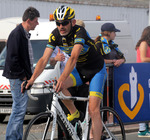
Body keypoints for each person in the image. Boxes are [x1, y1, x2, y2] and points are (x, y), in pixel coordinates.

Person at [23, 5, 107, 140]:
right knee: (58, 87)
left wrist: (62, 78)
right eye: (58, 23)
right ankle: (75, 114)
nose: (61, 26)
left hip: (96, 70)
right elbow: (44, 59)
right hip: (80, 70)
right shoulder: (55, 34)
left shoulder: (79, 32)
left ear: (72, 22)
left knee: (93, 109)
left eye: (64, 23)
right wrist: (32, 79)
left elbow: (73, 58)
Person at [3, 7, 40, 140]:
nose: (37, 23)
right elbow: (12, 58)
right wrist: (23, 75)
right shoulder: (17, 34)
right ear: (29, 20)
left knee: (19, 109)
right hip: (17, 78)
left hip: (18, 77)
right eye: (36, 20)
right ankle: (12, 138)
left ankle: (15, 137)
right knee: (18, 110)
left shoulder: (21, 33)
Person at [95, 23, 125, 108]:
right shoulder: (98, 44)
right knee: (103, 105)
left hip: (113, 79)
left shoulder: (113, 45)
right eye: (114, 32)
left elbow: (123, 57)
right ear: (109, 33)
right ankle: (102, 120)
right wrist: (112, 61)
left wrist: (121, 61)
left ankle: (111, 120)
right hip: (101, 79)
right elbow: (97, 60)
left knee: (112, 105)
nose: (115, 34)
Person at [135, 26, 150, 137]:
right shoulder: (144, 43)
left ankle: (145, 126)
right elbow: (143, 58)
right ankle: (142, 128)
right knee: (144, 101)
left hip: (147, 74)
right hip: (142, 74)